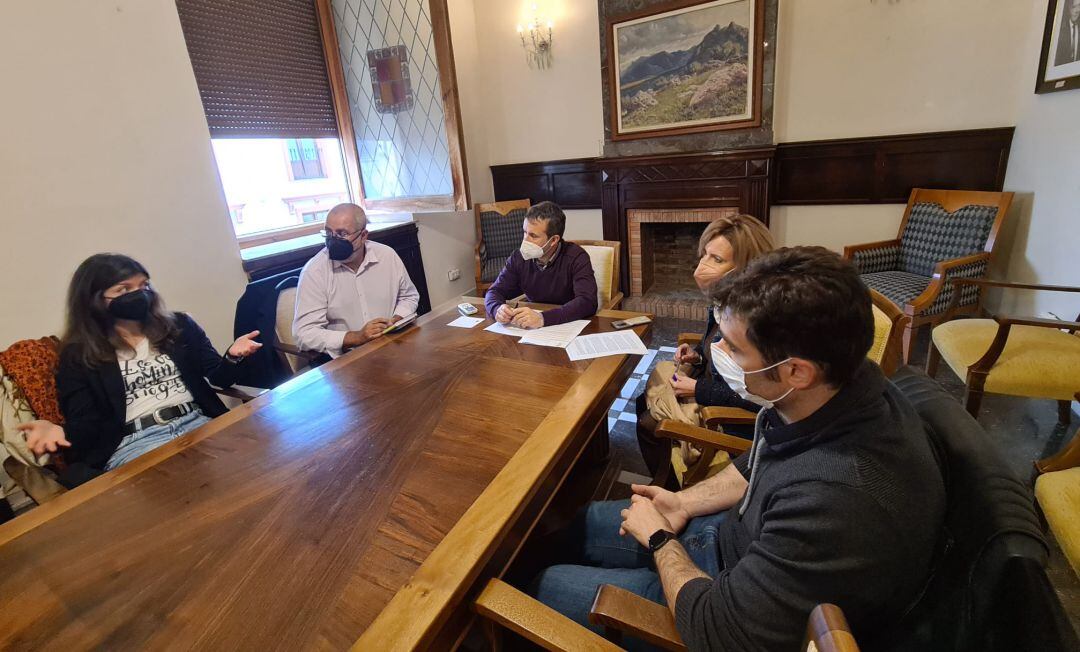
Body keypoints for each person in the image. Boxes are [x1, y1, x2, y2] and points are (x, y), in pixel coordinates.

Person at [530, 247, 946, 650]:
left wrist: (659, 539)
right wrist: (683, 502)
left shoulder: (834, 500)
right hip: (727, 536)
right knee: (579, 524)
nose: (717, 353)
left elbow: (719, 631)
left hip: (719, 604)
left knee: (540, 588)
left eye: (733, 348)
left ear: (796, 371)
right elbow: (757, 463)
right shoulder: (836, 389)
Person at [17, 254, 261, 487]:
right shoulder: (78, 354)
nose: (138, 294)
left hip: (199, 422)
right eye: (123, 290)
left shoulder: (179, 326)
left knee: (253, 471)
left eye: (143, 285)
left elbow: (218, 377)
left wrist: (233, 356)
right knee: (183, 494)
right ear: (94, 299)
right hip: (135, 442)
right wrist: (56, 429)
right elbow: (86, 422)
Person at [635, 214, 774, 483]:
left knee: (648, 425)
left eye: (717, 259)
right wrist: (698, 355)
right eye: (705, 255)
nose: (702, 266)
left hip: (729, 419)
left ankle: (670, 486)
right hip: (708, 384)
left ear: (748, 267)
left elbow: (763, 400)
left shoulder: (758, 321)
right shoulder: (723, 303)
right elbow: (714, 345)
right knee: (643, 400)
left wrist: (697, 389)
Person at [293, 203, 420, 357]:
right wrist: (357, 337)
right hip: (346, 358)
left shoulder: (386, 255)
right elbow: (304, 334)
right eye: (328, 233)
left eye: (342, 233)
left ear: (363, 235)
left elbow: (408, 296)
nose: (333, 240)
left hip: (391, 344)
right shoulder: (315, 271)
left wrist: (395, 320)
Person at [483, 201, 598, 329]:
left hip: (568, 324)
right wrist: (497, 309)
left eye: (533, 236)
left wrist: (543, 318)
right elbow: (494, 291)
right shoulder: (518, 257)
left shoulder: (577, 257)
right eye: (525, 232)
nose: (525, 240)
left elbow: (588, 302)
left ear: (553, 240)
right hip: (531, 326)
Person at [1056, 0, 1080, 66]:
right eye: (1074, 6)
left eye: (1079, 6)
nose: (1077, 10)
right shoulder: (1060, 29)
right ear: (1068, 7)